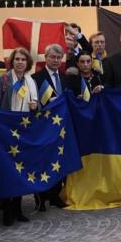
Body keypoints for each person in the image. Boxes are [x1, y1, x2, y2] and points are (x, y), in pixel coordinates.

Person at [0, 47, 38, 226]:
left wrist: (35, 108)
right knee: (8, 170)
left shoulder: (31, 81)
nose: (20, 62)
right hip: (6, 129)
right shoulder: (3, 78)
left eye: (23, 60)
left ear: (28, 63)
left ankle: (18, 208)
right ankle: (7, 210)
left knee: (21, 169)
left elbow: (36, 106)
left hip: (23, 130)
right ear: (12, 61)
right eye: (17, 59)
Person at [31, 44, 71, 212]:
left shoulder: (65, 78)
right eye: (52, 57)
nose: (55, 60)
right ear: (45, 58)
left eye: (58, 58)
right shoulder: (35, 78)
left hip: (61, 126)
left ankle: (55, 196)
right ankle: (40, 197)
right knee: (43, 160)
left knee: (59, 160)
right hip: (43, 126)